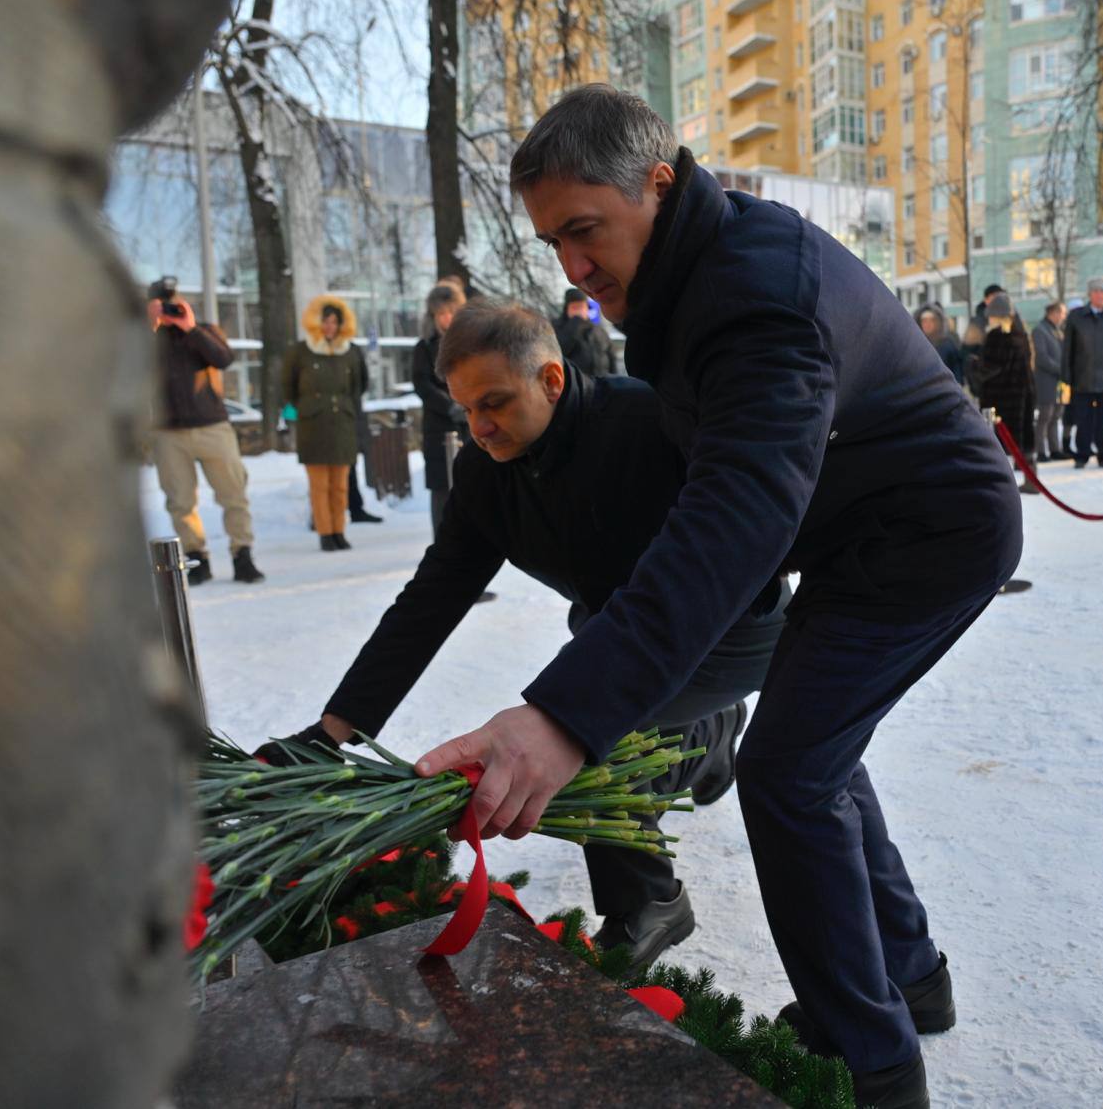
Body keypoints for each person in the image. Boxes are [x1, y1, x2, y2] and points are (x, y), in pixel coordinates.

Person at [413, 86, 1022, 1109]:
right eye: (549, 241)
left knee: (786, 771)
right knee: (809, 755)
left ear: (656, 183)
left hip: (924, 538)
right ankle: (910, 979)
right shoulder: (699, 270)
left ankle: (867, 1065)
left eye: (582, 231)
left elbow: (735, 513)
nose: (568, 267)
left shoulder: (750, 293)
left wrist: (568, 714)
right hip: (857, 537)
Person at [257, 298, 789, 969]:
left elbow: (754, 519)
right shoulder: (485, 474)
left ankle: (651, 897)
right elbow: (430, 601)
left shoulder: (645, 422)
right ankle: (705, 737)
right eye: (466, 411)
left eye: (496, 403)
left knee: (585, 722)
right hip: (616, 628)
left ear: (552, 380)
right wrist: (328, 737)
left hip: (732, 622)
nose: (479, 427)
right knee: (587, 698)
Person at [147, 277, 264, 586]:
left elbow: (224, 359)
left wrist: (191, 328)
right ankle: (197, 558)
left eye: (173, 304)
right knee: (180, 501)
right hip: (168, 432)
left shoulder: (205, 330)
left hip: (212, 425)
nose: (169, 311)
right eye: (163, 306)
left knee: (233, 493)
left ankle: (243, 555)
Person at [283, 295, 363, 550]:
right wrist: (305, 408)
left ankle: (340, 530)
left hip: (342, 423)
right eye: (326, 321)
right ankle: (325, 533)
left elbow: (360, 385)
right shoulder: (301, 351)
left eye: (334, 322)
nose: (330, 326)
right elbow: (288, 386)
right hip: (313, 426)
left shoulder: (350, 351)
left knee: (340, 485)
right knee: (319, 485)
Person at [413, 281, 468, 533]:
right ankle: (444, 537)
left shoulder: (471, 344)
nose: (447, 319)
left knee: (471, 484)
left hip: (470, 423)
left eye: (451, 312)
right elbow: (423, 384)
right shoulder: (424, 348)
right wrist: (449, 406)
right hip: (439, 427)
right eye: (441, 313)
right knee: (442, 490)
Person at [1061, 276, 1103, 469]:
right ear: (1090, 294)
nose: (1100, 295)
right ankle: (1082, 454)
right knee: (1082, 419)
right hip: (1081, 379)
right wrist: (1066, 375)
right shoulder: (1076, 317)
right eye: (1097, 291)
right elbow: (1068, 349)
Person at [978, 292, 1037, 494]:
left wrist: (973, 366)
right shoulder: (1022, 336)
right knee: (1024, 442)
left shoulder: (996, 337)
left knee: (997, 446)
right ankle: (1032, 480)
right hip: (1022, 396)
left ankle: (999, 486)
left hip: (1000, 398)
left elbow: (990, 369)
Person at [346, 341, 384, 524]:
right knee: (328, 470)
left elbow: (362, 381)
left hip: (350, 413)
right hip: (325, 420)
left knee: (351, 463)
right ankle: (322, 516)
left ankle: (355, 507)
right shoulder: (313, 349)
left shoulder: (352, 350)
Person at [554, 287, 618, 376]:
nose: (579, 311)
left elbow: (611, 357)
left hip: (602, 384)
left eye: (581, 307)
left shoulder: (598, 330)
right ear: (566, 309)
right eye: (575, 307)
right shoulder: (556, 328)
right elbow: (559, 351)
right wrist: (575, 322)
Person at [1031, 301, 1067, 461]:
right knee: (1045, 415)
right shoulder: (1040, 330)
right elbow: (1042, 357)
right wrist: (1060, 370)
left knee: (1057, 414)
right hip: (1046, 379)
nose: (1063, 316)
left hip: (1060, 381)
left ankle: (1055, 448)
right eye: (1062, 313)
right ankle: (1040, 451)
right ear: (1053, 313)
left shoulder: (1057, 330)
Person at [913, 302, 962, 384]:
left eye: (932, 320)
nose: (927, 324)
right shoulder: (914, 345)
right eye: (924, 321)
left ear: (938, 323)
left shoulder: (947, 344)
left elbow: (957, 369)